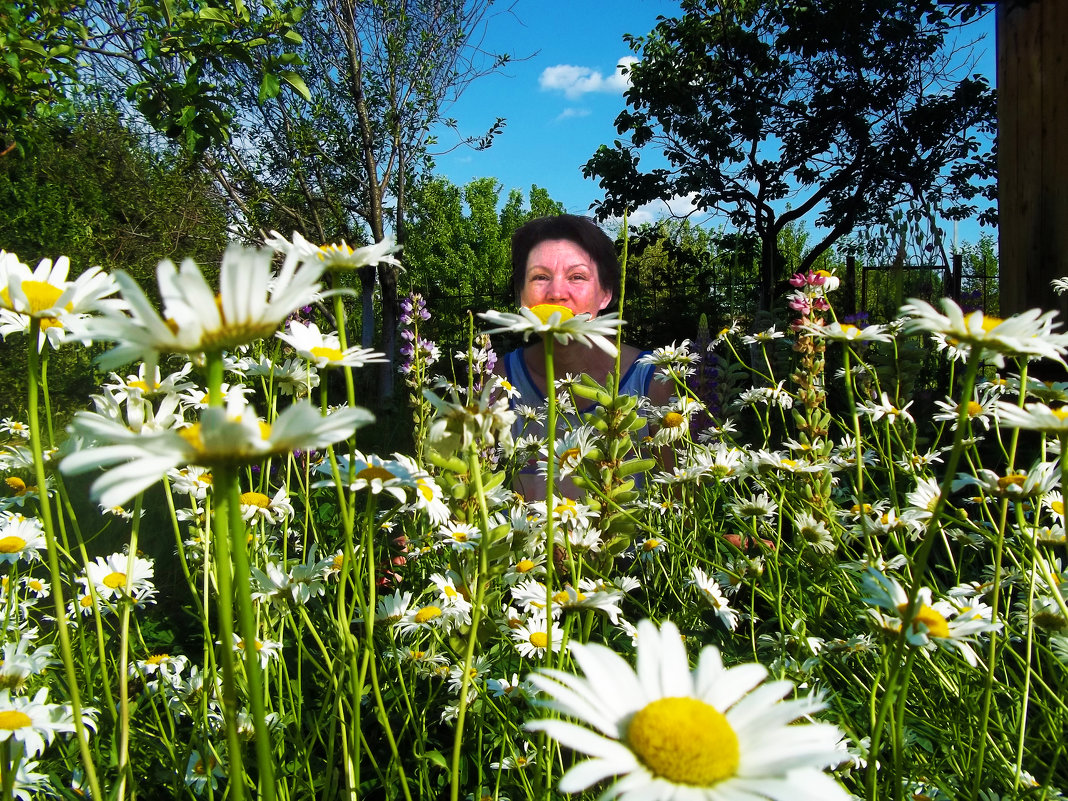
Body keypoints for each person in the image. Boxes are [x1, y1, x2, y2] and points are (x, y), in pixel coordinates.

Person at [496, 214, 673, 499]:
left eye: (577, 276)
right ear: (521, 295)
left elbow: (685, 511)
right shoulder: (499, 383)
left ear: (606, 293)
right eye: (540, 277)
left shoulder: (654, 382)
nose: (556, 293)